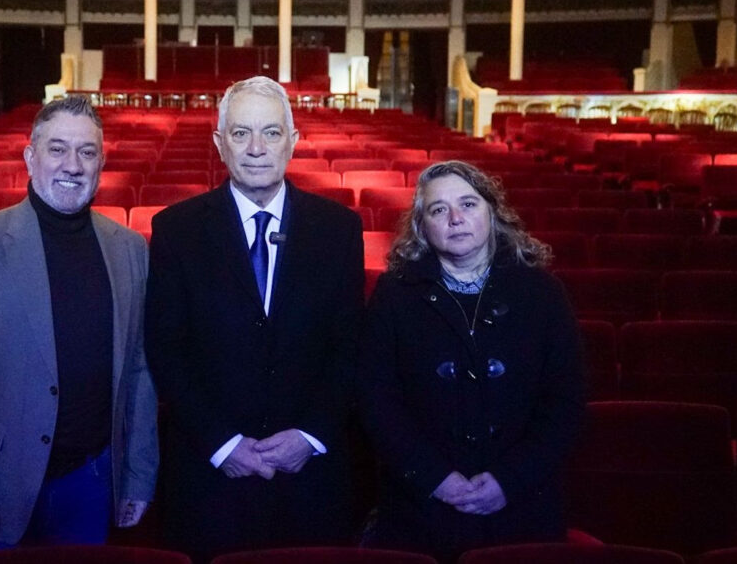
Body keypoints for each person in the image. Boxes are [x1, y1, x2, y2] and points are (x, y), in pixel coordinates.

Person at [0, 96, 158, 555]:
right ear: (30, 157)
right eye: (57, 149)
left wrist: (138, 475)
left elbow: (141, 369)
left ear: (101, 163)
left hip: (92, 480)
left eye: (87, 152)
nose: (73, 165)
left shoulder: (129, 249)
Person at [145, 76, 365, 561]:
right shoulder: (176, 229)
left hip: (311, 483)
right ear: (219, 143)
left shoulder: (339, 229)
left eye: (271, 132)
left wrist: (309, 435)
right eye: (241, 133)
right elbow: (166, 349)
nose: (257, 148)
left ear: (293, 140)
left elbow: (349, 347)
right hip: (210, 481)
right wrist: (224, 444)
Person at [358, 160, 585, 562]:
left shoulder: (542, 292)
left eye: (468, 204)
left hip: (521, 505)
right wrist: (435, 479)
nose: (456, 219)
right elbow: (377, 401)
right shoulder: (394, 294)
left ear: (492, 212)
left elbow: (565, 402)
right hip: (421, 508)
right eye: (438, 209)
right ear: (421, 227)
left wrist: (508, 480)